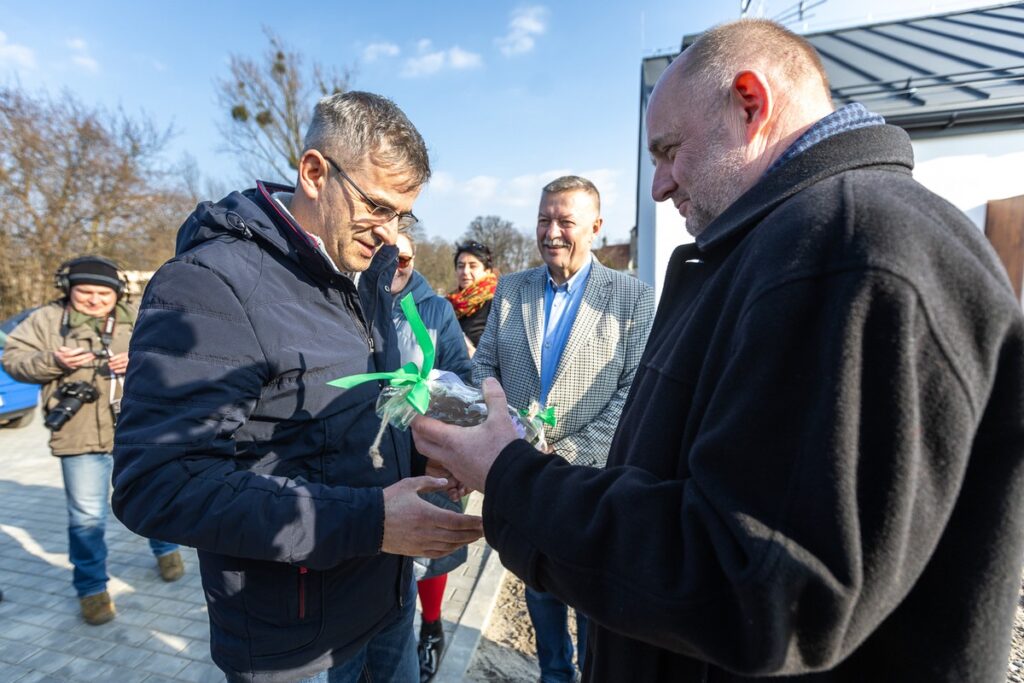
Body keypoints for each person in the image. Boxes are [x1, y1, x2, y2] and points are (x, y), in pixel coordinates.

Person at [411, 19, 1024, 683]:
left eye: (669, 150)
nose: (659, 186)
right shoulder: (789, 245)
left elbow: (759, 588)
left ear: (750, 104)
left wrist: (510, 475)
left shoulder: (849, 254)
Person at [110, 92, 483, 683]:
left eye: (403, 216)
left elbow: (354, 418)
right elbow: (155, 484)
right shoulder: (212, 285)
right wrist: (370, 521)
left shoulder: (364, 276)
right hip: (294, 640)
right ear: (314, 172)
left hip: (384, 597)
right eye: (377, 207)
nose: (390, 234)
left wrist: (433, 457)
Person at [471, 175, 655, 682]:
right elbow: (483, 365)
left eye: (565, 221)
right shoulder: (510, 290)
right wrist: (508, 433)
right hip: (525, 483)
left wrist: (563, 453)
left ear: (595, 227)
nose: (551, 232)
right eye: (543, 220)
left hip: (592, 486)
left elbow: (633, 394)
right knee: (540, 594)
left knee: (596, 615)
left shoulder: (632, 299)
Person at [2, 255, 184, 626]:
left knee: (155, 495)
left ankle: (167, 549)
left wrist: (138, 360)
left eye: (104, 293)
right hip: (78, 432)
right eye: (85, 291)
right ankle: (91, 589)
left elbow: (179, 354)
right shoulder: (47, 319)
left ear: (117, 293)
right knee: (86, 517)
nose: (95, 300)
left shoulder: (140, 314)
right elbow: (13, 359)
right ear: (69, 289)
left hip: (138, 430)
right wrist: (52, 359)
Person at [389, 230, 472, 682]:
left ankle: (434, 627)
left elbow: (461, 374)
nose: (399, 262)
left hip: (427, 451)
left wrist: (429, 398)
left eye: (407, 255)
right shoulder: (356, 300)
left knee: (431, 548)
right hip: (373, 454)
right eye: (391, 253)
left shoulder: (436, 308)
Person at [446, 241, 497, 354]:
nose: (465, 271)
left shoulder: (497, 303)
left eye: (473, 266)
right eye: (460, 266)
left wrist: (473, 354)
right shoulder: (447, 305)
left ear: (487, 271)